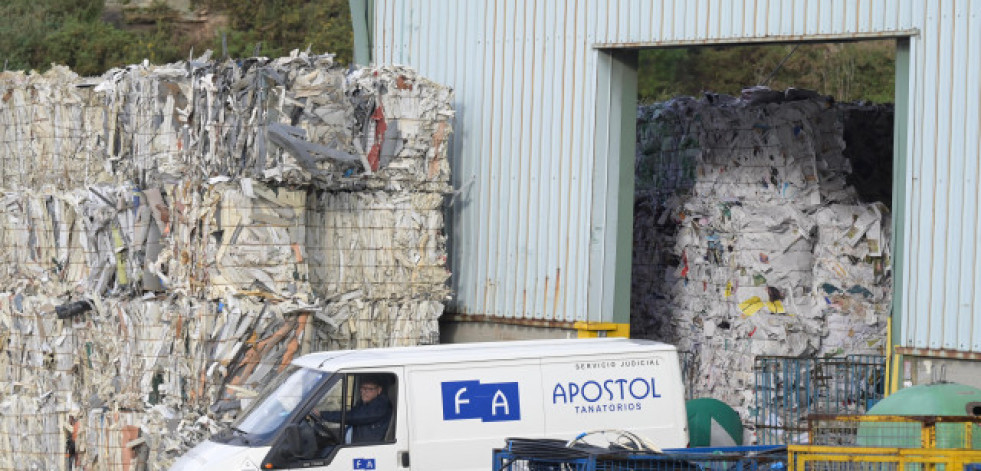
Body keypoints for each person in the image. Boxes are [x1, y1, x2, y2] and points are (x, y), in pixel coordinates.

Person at [316, 376, 392, 443]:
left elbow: (354, 416)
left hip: (363, 447)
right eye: (362, 388)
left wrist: (322, 414)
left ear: (379, 390)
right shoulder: (365, 402)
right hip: (352, 437)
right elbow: (353, 415)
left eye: (369, 389)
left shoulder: (380, 405)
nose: (364, 392)